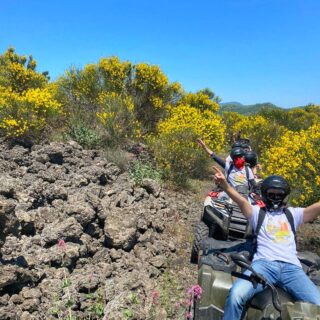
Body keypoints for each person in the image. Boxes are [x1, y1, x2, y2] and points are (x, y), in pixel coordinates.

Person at [212, 166, 320, 320]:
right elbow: (241, 201)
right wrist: (226, 186)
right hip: (263, 266)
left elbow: (315, 208)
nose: (275, 197)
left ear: (284, 196)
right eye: (271, 194)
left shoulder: (293, 214)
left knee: (318, 303)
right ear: (265, 195)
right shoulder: (257, 213)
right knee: (236, 295)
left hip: (292, 269)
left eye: (279, 194)